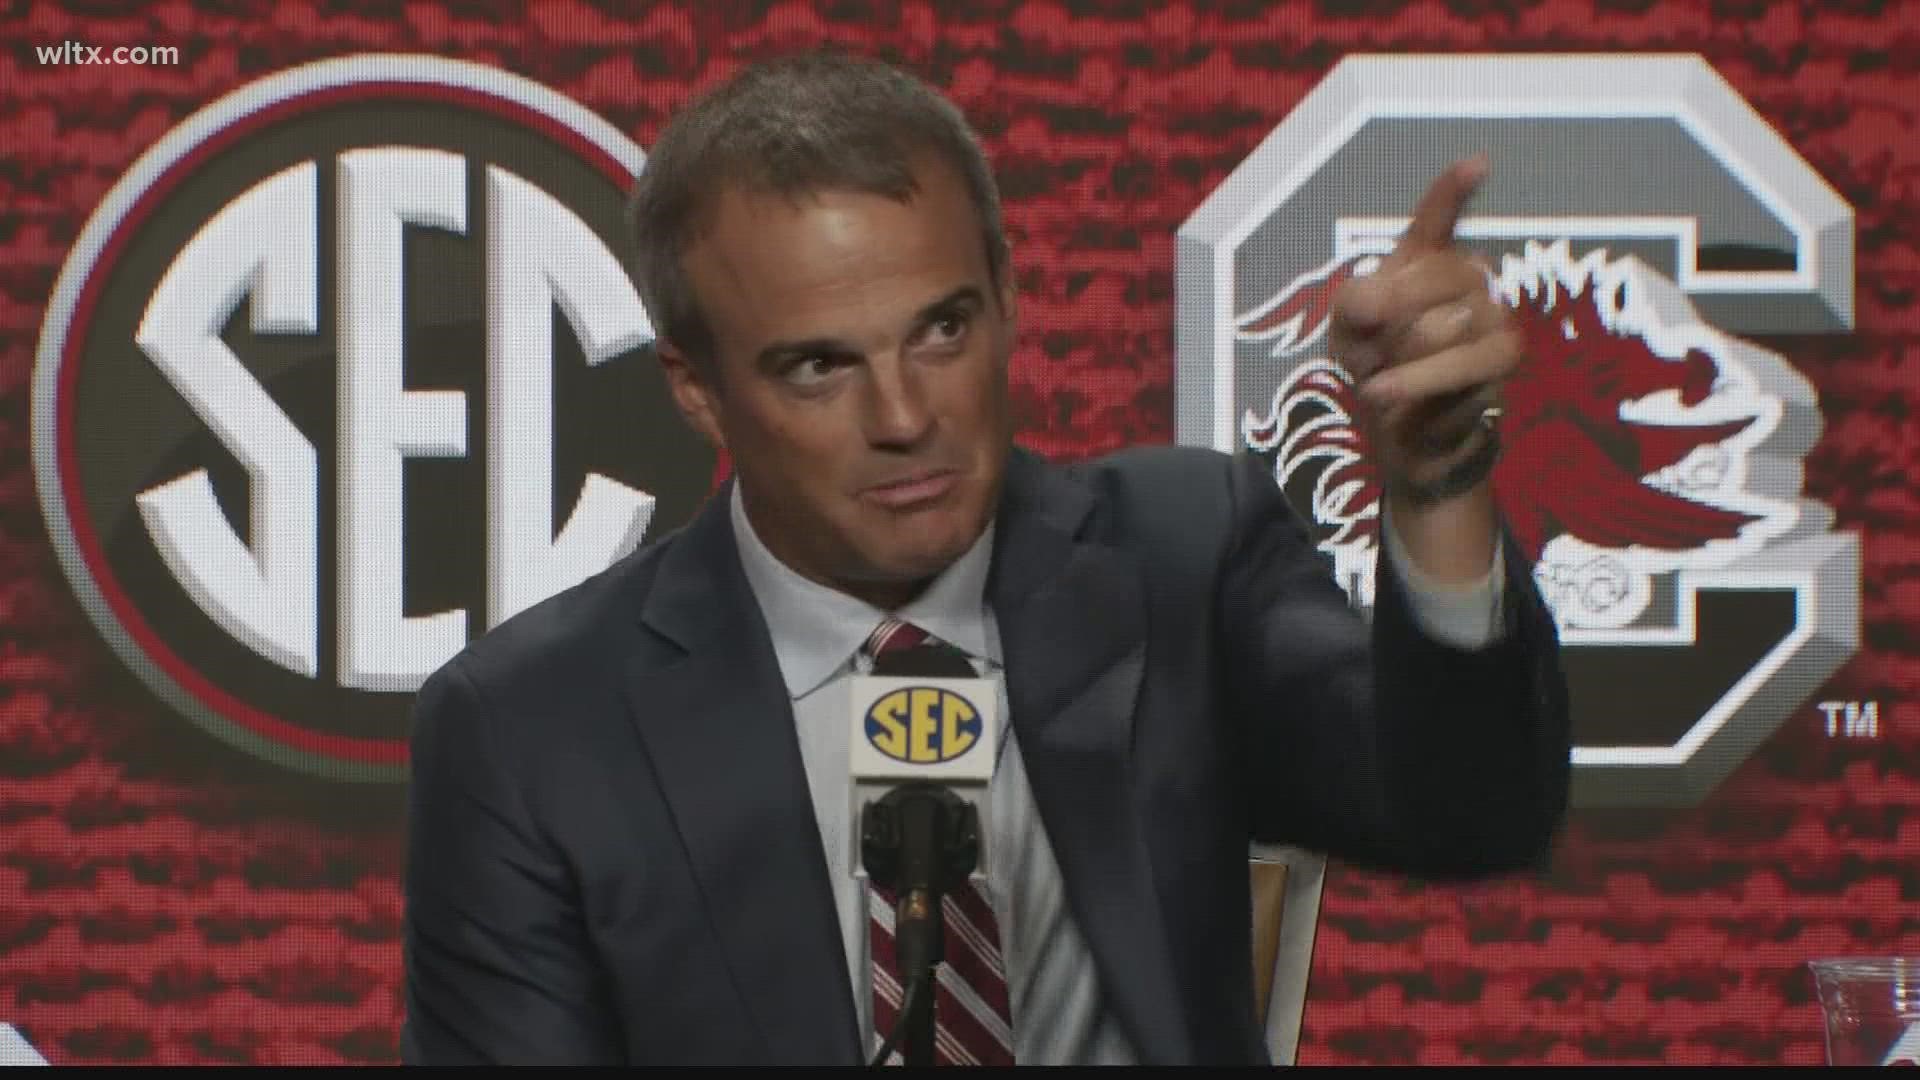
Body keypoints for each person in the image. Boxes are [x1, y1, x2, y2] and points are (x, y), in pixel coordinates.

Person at [399, 49, 1571, 1066]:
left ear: (1010, 301)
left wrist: (1435, 487)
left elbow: (1471, 814)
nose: (906, 415)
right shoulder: (532, 729)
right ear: (698, 392)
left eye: (943, 329)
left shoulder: (1180, 555)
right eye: (820, 366)